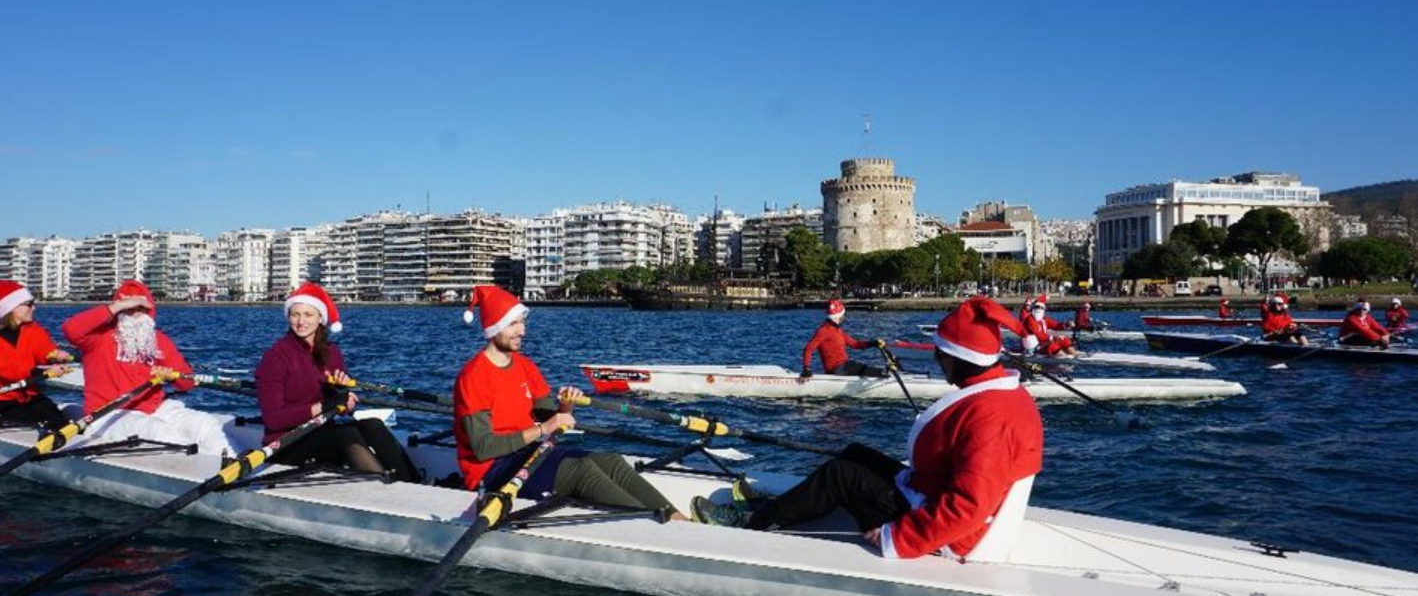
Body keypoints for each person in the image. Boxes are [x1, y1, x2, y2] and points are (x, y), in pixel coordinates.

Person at [693, 295, 1044, 564]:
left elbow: (969, 505)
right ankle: (783, 507)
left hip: (951, 539)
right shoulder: (1004, 395)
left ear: (957, 357)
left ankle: (751, 521)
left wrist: (900, 538)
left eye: (941, 354)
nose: (937, 361)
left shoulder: (990, 417)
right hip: (931, 494)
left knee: (842, 475)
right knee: (856, 453)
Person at [454, 285, 688, 520]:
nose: (522, 331)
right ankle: (650, 525)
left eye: (522, 322)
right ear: (494, 327)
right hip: (492, 472)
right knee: (580, 471)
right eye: (513, 324)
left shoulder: (525, 366)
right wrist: (543, 429)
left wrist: (566, 406)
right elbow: (483, 449)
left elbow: (549, 418)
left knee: (611, 460)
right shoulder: (473, 377)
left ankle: (678, 521)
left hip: (527, 454)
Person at [255, 283, 417, 481]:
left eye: (308, 315)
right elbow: (272, 419)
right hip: (286, 443)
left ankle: (411, 483)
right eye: (295, 314)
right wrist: (319, 408)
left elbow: (343, 406)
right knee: (345, 433)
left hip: (321, 431)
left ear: (320, 319)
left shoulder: (332, 353)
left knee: (373, 425)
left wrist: (344, 398)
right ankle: (381, 488)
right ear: (288, 317)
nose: (301, 321)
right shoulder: (275, 357)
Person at [61, 280, 233, 456]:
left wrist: (171, 377)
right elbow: (70, 329)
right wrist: (119, 304)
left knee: (205, 423)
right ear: (119, 309)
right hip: (108, 414)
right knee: (158, 431)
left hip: (156, 409)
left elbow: (187, 382)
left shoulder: (159, 339)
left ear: (149, 310)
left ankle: (234, 464)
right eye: (129, 308)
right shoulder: (98, 337)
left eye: (141, 308)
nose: (135, 313)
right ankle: (198, 468)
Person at [0, 280, 73, 429]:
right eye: (29, 304)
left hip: (29, 396)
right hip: (3, 401)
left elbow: (44, 350)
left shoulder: (32, 329)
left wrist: (54, 356)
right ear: (11, 308)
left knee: (60, 423)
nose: (34, 308)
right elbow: (7, 370)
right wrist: (39, 371)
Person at [801, 299, 884, 378]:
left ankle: (882, 374)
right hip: (839, 369)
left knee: (863, 368)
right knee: (868, 370)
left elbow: (855, 344)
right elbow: (809, 348)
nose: (844, 317)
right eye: (844, 315)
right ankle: (883, 376)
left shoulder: (837, 330)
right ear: (840, 316)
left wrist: (872, 343)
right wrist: (806, 368)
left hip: (841, 368)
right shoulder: (823, 331)